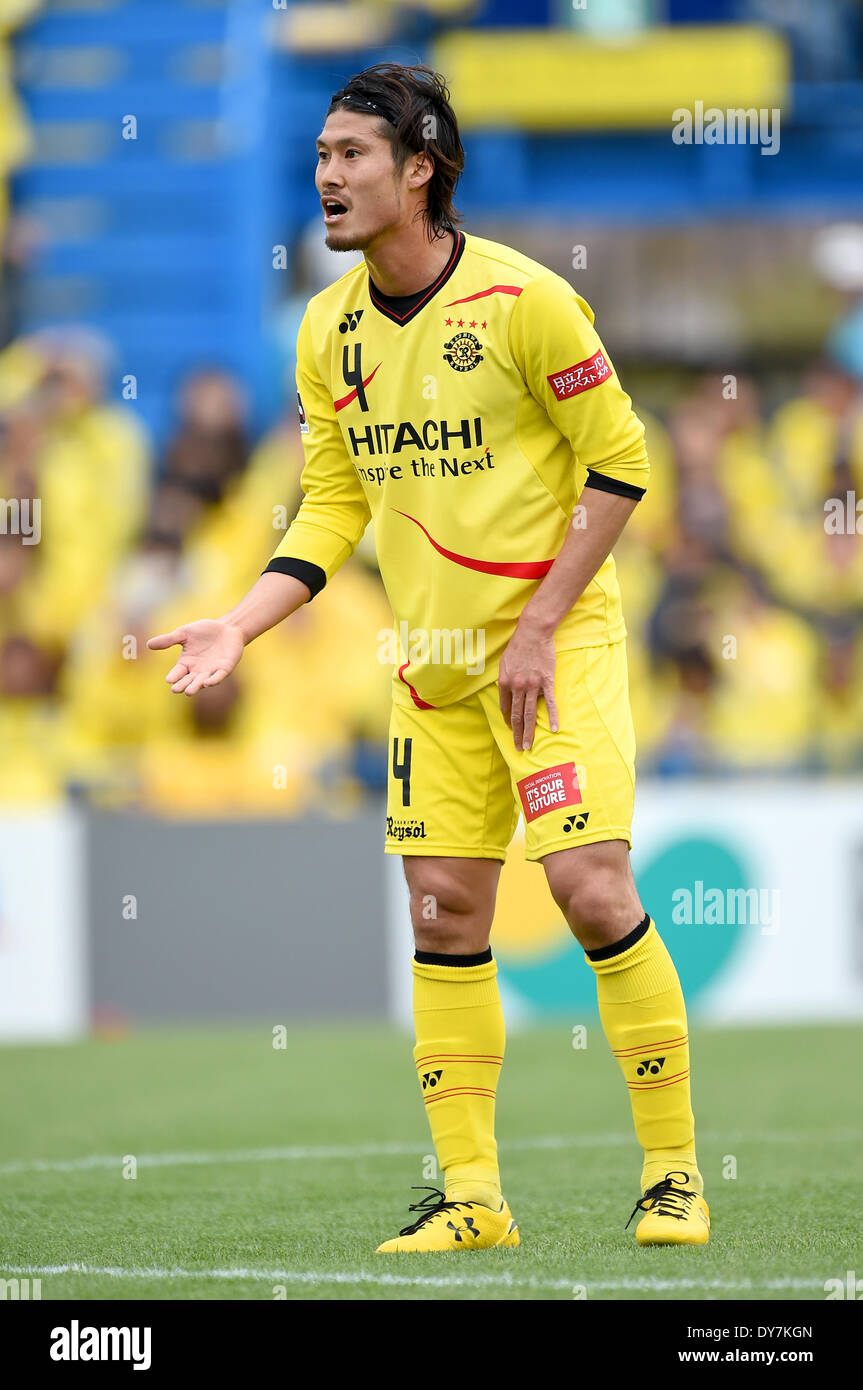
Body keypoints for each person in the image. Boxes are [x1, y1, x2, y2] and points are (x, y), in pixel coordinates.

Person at [148, 61, 709, 1253]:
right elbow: (329, 508)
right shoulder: (325, 330)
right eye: (318, 156)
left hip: (553, 649)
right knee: (444, 908)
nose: (327, 177)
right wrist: (234, 624)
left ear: (420, 170)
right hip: (432, 664)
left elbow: (621, 464)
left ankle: (671, 1173)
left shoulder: (525, 303)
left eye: (351, 155)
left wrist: (547, 621)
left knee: (587, 887)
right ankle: (472, 1200)